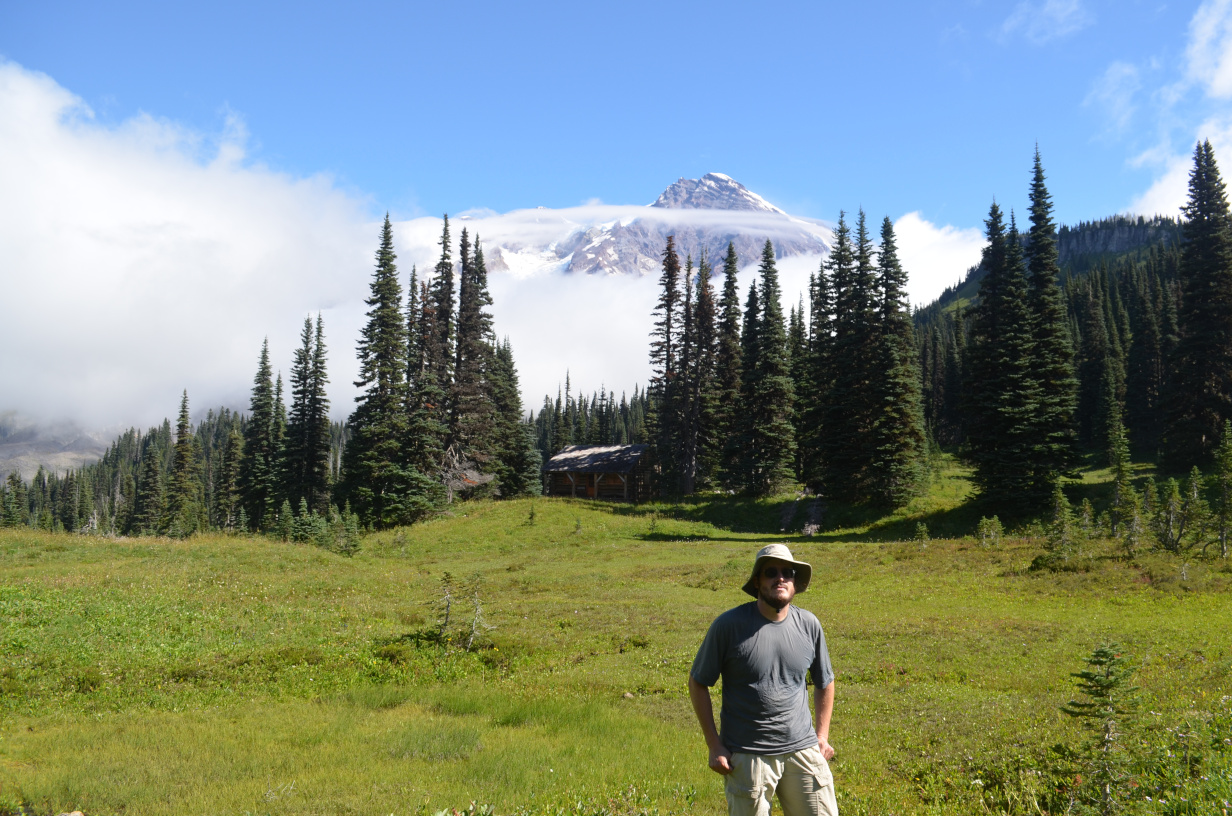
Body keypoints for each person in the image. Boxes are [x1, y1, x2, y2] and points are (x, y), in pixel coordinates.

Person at [688, 543, 838, 816]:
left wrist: (822, 735)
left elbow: (825, 680)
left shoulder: (809, 625)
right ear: (757, 580)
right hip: (748, 755)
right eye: (771, 572)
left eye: (788, 572)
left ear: (795, 581)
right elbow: (698, 682)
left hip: (802, 749)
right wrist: (714, 744)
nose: (780, 578)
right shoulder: (728, 626)